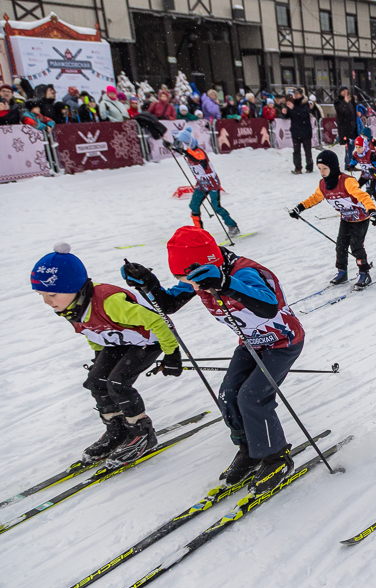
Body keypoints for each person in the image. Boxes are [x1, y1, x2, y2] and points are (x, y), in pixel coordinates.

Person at [121, 227, 306, 492]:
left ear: (207, 264)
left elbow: (268, 306)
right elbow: (169, 304)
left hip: (283, 341)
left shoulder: (242, 272)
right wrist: (148, 282)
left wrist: (225, 283)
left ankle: (275, 458)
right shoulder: (200, 276)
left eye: (190, 278)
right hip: (251, 343)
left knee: (252, 397)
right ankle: (250, 450)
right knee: (228, 394)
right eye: (183, 278)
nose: (191, 286)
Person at [31, 243, 180, 465]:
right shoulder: (71, 305)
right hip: (119, 340)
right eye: (41, 294)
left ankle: (142, 433)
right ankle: (117, 429)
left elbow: (158, 321)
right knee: (96, 382)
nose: (46, 301)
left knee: (118, 383)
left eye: (51, 293)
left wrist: (171, 354)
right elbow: (92, 332)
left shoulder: (110, 303)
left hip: (149, 340)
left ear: (74, 287)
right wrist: (98, 357)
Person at [289, 150, 376, 288]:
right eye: (319, 169)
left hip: (360, 217)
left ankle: (364, 273)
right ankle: (342, 271)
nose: (322, 172)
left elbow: (363, 196)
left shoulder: (346, 181)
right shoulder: (323, 185)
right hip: (345, 218)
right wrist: (299, 208)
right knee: (341, 246)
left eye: (325, 168)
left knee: (356, 246)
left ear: (334, 167)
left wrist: (372, 211)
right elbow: (315, 198)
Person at [167, 127, 240, 234]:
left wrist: (184, 149)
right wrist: (170, 146)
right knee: (194, 206)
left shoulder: (199, 152)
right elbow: (182, 151)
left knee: (216, 207)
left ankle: (232, 226)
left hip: (212, 183)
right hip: (201, 184)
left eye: (184, 144)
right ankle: (199, 232)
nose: (183, 146)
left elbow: (196, 157)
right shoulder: (188, 152)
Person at [351, 134, 376, 214]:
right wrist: (350, 166)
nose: (358, 149)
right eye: (356, 147)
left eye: (360, 147)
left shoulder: (371, 154)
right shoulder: (356, 154)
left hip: (374, 174)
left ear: (364, 146)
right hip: (365, 174)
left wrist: (374, 168)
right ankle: (355, 206)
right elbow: (354, 161)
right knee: (356, 188)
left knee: (372, 190)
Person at [285, 88, 314, 175]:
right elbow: (288, 115)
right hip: (295, 130)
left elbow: (304, 114)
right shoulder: (292, 102)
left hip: (305, 130)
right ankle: (298, 168)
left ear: (301, 94)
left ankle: (309, 167)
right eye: (295, 93)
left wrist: (294, 108)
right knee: (296, 151)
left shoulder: (305, 103)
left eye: (297, 93)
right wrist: (284, 112)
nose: (296, 95)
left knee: (307, 150)